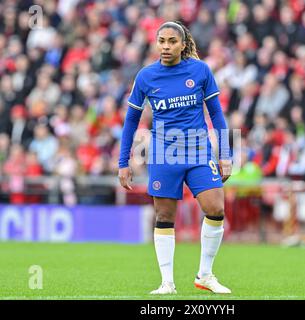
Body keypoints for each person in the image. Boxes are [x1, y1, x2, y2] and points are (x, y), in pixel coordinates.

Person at [118, 21, 232, 295]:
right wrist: (123, 162)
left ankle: (205, 274)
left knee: (216, 208)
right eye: (161, 41)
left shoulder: (201, 70)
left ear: (183, 44)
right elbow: (130, 121)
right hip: (163, 153)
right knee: (165, 216)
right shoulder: (146, 76)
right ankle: (167, 282)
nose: (166, 46)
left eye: (172, 41)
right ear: (156, 43)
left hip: (197, 150)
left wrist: (226, 154)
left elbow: (216, 114)